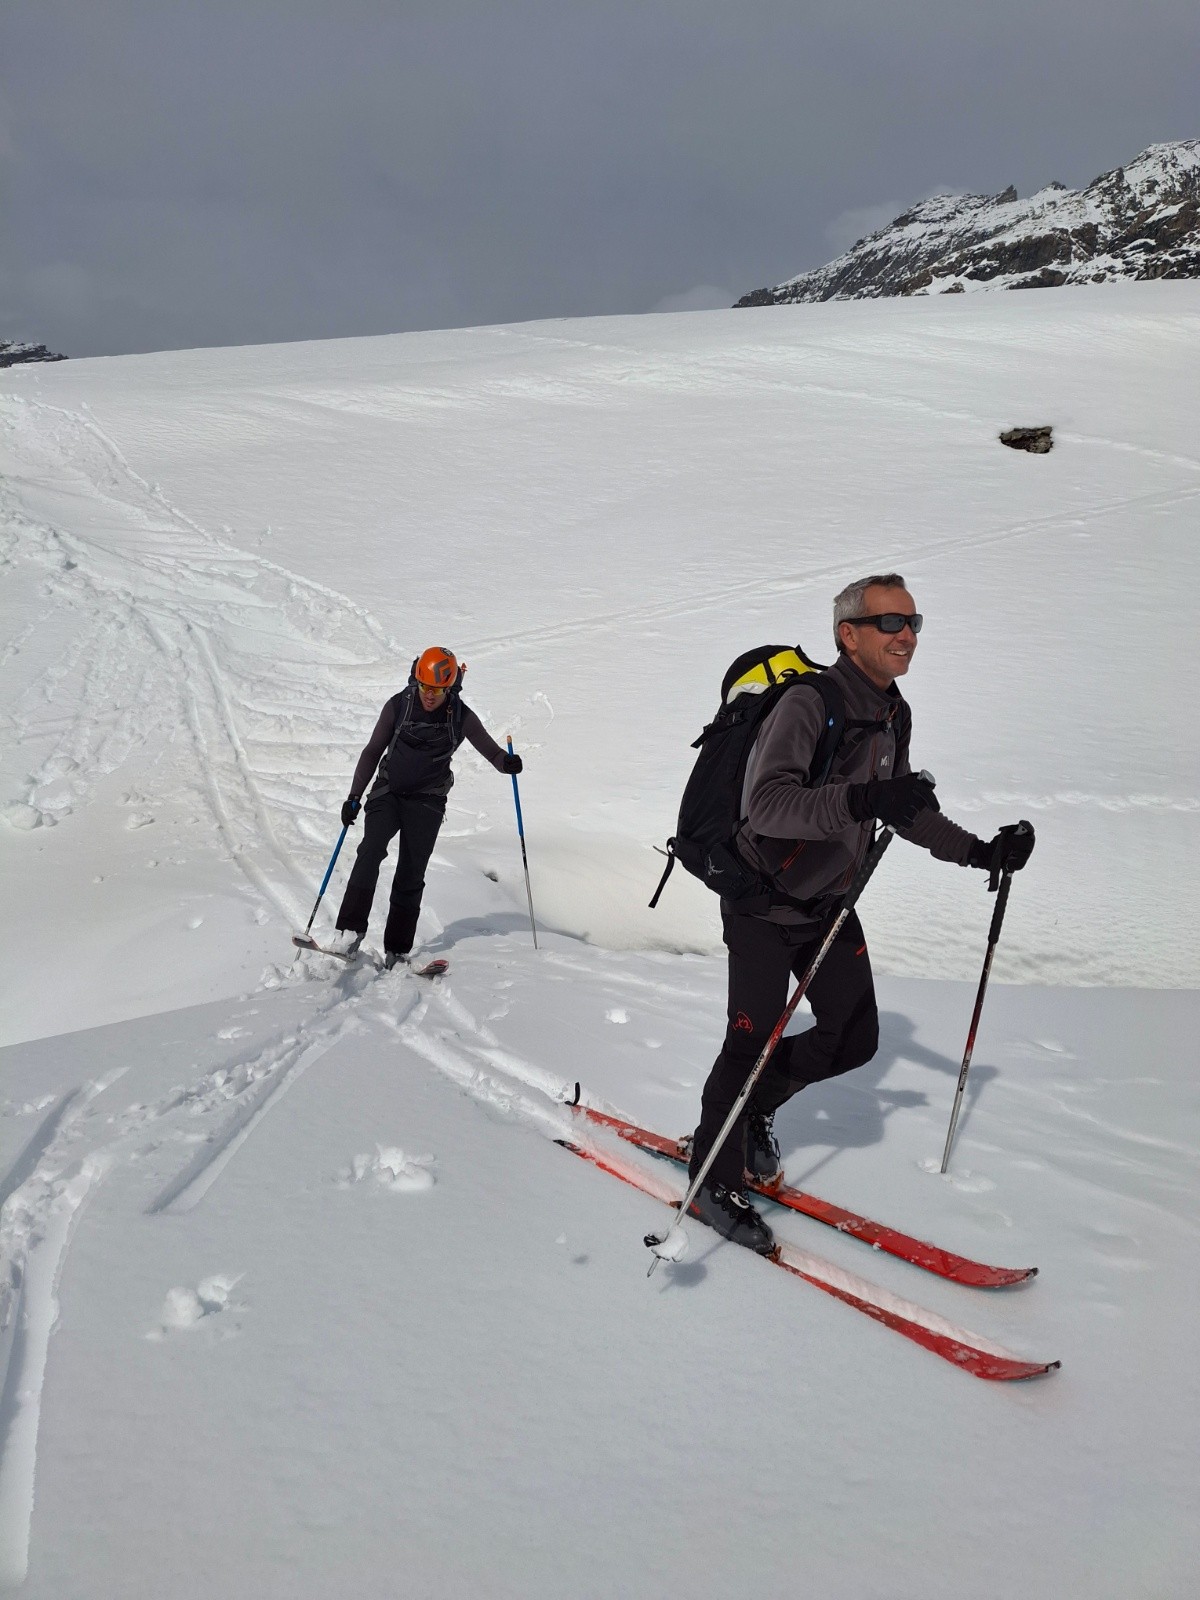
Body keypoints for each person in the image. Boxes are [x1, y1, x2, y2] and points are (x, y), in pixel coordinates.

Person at [687, 574, 1035, 1253]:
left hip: (828, 906)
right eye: (890, 622)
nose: (906, 634)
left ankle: (753, 1104)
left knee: (855, 1039)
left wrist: (980, 852)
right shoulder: (810, 705)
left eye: (913, 622)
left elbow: (903, 808)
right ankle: (712, 1175)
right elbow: (770, 807)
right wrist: (866, 800)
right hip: (761, 905)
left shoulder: (891, 713)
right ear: (849, 634)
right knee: (747, 1043)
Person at [333, 647, 521, 967]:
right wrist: (353, 797)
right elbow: (372, 751)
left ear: (449, 688)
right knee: (370, 851)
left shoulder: (461, 717)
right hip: (388, 793)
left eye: (437, 690)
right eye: (424, 687)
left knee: (411, 871)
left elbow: (492, 754)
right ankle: (349, 935)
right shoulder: (399, 706)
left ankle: (397, 951)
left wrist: (508, 763)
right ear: (416, 680)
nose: (429, 695)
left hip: (428, 801)